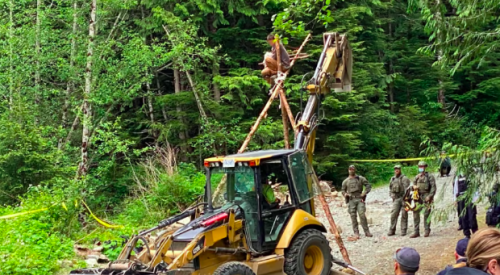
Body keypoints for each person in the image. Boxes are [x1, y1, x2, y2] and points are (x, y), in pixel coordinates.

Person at [342, 165, 373, 238]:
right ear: (348, 170)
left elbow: (368, 186)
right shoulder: (346, 181)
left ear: (355, 170)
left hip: (359, 199)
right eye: (350, 169)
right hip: (351, 200)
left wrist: (364, 193)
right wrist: (345, 194)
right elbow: (342, 190)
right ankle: (356, 232)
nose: (351, 170)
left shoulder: (360, 178)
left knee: (362, 214)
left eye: (352, 169)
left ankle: (367, 231)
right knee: (353, 216)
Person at [410, 161, 436, 238]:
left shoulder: (430, 176)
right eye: (420, 167)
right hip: (418, 196)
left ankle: (427, 230)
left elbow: (433, 187)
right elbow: (413, 186)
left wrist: (430, 196)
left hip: (426, 196)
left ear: (425, 167)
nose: (421, 168)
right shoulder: (417, 177)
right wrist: (414, 187)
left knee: (426, 214)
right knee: (415, 213)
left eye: (422, 166)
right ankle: (416, 231)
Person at [388, 164, 411, 236]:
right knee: (393, 214)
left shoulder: (404, 178)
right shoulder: (392, 179)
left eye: (398, 169)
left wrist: (406, 199)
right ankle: (392, 229)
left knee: (404, 214)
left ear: (400, 170)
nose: (396, 170)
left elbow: (407, 189)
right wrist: (392, 195)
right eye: (395, 169)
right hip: (396, 198)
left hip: (404, 198)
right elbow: (390, 189)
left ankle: (403, 230)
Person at [454, 174, 478, 238]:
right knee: (463, 217)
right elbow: (456, 189)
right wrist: (455, 200)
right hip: (461, 199)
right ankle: (467, 234)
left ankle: (475, 232)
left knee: (472, 216)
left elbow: (475, 187)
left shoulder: (470, 174)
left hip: (470, 198)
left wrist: (475, 198)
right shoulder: (458, 176)